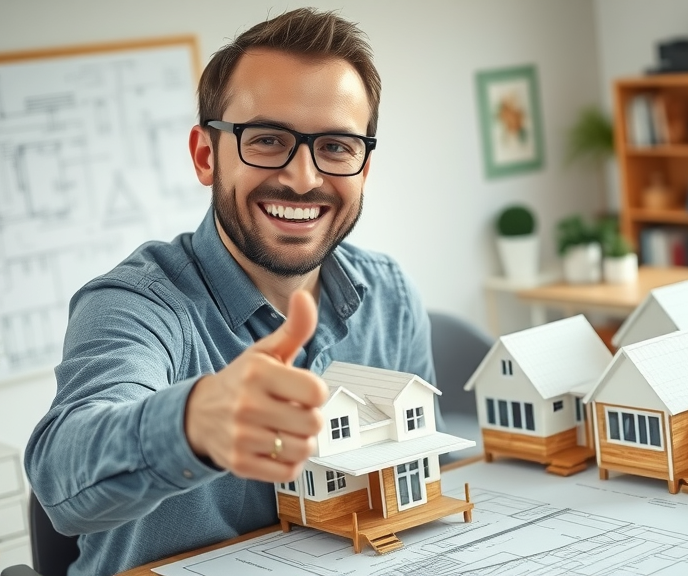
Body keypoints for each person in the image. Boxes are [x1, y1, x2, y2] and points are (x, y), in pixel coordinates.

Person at [24, 8, 434, 576]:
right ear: (205, 155)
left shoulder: (392, 299)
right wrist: (192, 425)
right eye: (267, 140)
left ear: (364, 167)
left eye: (336, 147)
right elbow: (60, 470)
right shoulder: (133, 305)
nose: (304, 178)